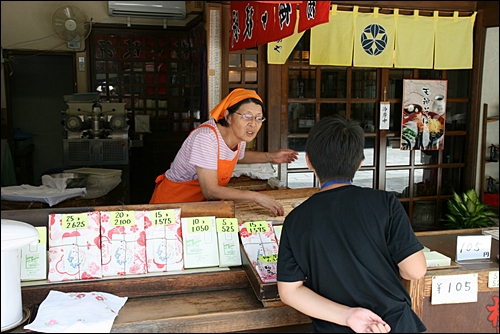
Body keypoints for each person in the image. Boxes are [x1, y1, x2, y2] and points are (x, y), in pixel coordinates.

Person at [277, 115, 427, 333]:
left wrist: (347, 315)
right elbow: (415, 271)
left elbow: (289, 292)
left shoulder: (295, 220)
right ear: (359, 163)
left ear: (308, 161)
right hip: (392, 324)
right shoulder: (385, 204)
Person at [150, 88, 298, 216]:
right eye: (246, 117)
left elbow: (238, 156)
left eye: (259, 118)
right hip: (170, 206)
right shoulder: (207, 138)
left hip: (197, 206)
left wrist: (271, 156)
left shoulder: (238, 138)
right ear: (228, 116)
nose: (253, 123)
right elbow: (210, 190)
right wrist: (256, 197)